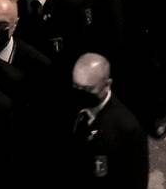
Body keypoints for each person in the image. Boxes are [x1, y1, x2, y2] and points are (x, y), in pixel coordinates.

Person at [62, 54, 148, 189]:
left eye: (88, 89)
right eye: (76, 86)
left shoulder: (127, 129)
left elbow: (136, 181)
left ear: (107, 85)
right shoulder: (72, 106)